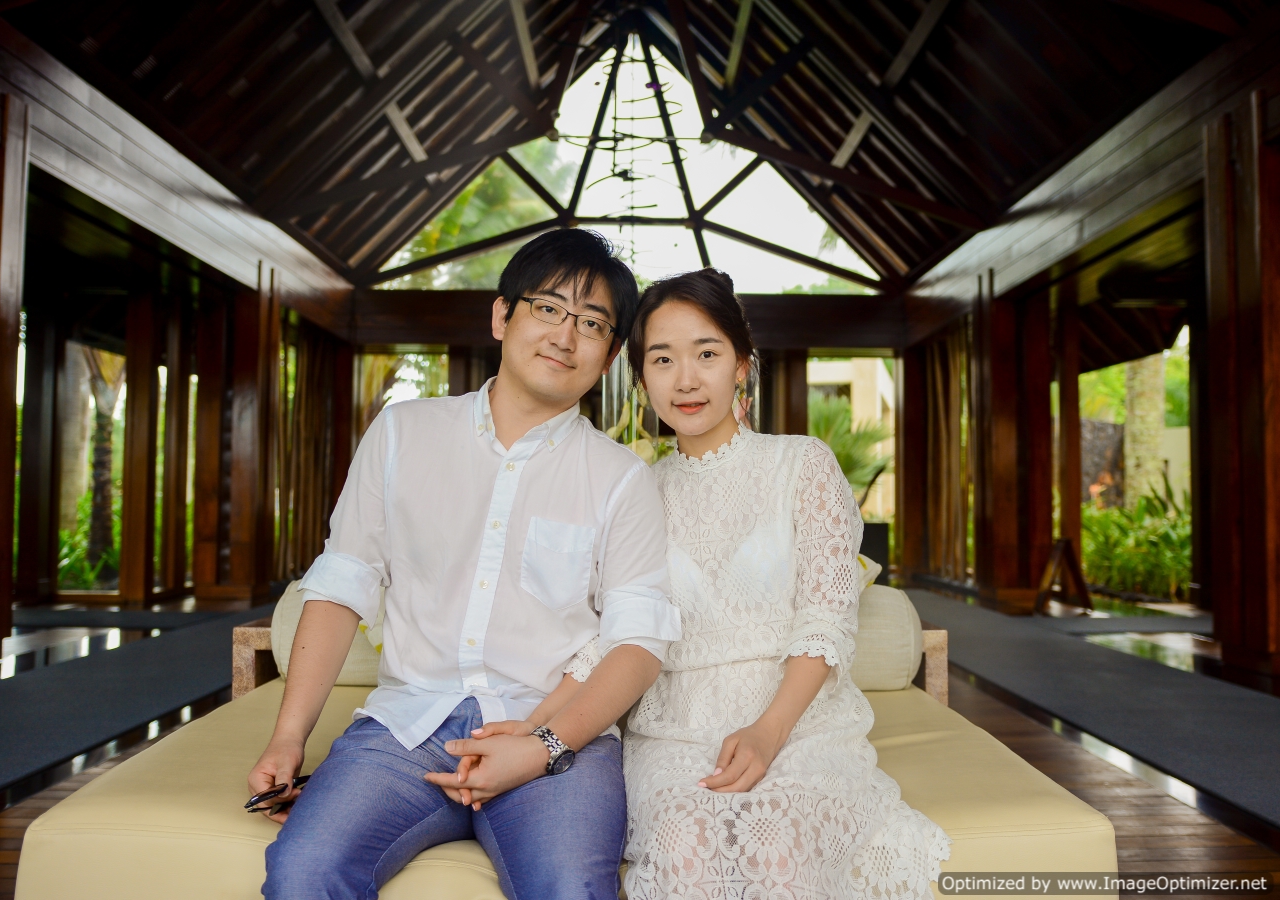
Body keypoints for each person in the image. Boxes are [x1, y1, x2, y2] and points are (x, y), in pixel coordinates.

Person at [474, 269, 950, 898]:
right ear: (641, 380)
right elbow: (609, 637)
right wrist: (535, 728)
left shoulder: (801, 465)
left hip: (799, 725)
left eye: (706, 354)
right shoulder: (635, 490)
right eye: (662, 359)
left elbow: (827, 617)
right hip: (673, 732)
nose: (686, 380)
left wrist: (768, 732)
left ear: (741, 366)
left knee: (779, 843)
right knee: (686, 841)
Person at [249, 229, 682, 900]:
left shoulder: (622, 479)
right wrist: (287, 737)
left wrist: (543, 745)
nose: (565, 336)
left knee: (570, 887)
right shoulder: (402, 433)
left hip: (554, 733)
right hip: (406, 729)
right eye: (548, 308)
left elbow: (639, 644)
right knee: (303, 869)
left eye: (592, 323)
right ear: (502, 315)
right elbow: (341, 585)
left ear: (610, 355)